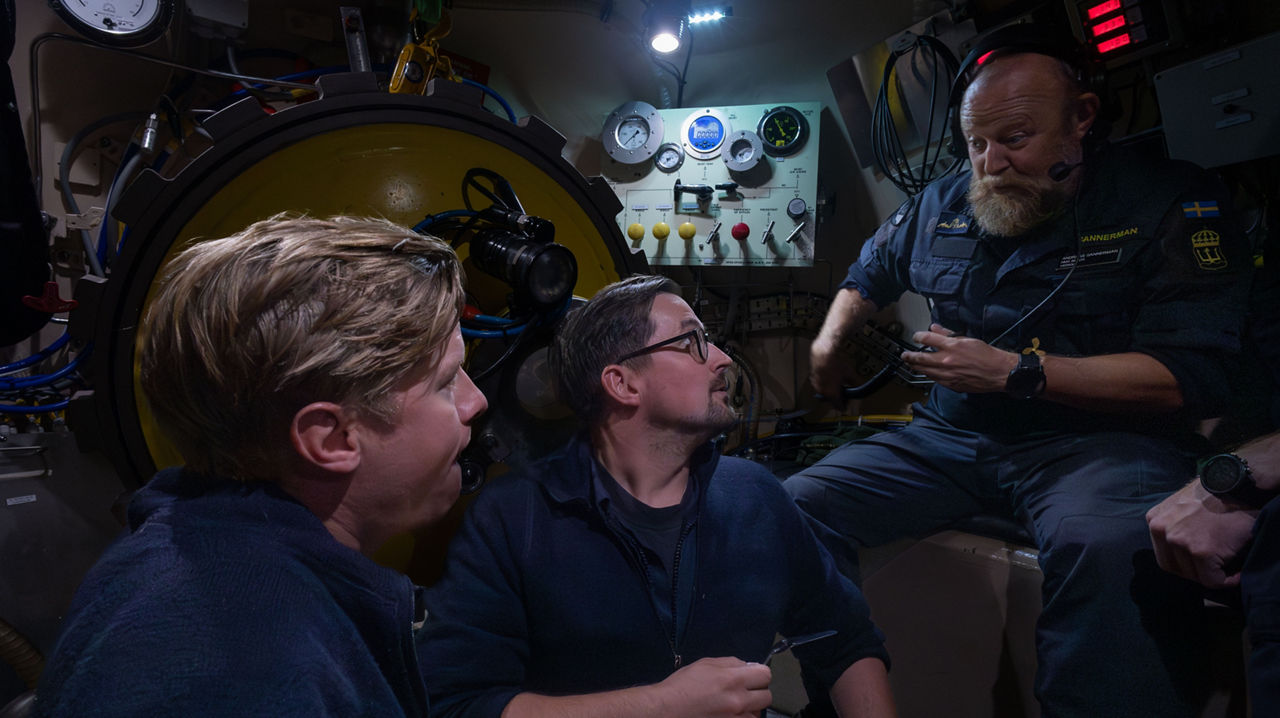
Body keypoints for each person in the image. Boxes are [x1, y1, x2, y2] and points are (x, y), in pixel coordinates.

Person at [785, 23, 1251, 718]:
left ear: (1082, 121)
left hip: (1097, 445)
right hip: (953, 439)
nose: (990, 164)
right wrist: (827, 346)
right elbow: (868, 273)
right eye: (976, 143)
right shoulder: (944, 201)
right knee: (790, 506)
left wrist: (1018, 373)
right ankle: (849, 698)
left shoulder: (1166, 202)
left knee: (1108, 547)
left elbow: (1189, 373)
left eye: (1014, 139)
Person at [33, 215, 487, 717]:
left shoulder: (187, 542)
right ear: (331, 438)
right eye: (446, 382)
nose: (476, 401)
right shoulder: (249, 673)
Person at [420, 275, 896, 718]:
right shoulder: (513, 518)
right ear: (622, 383)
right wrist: (665, 705)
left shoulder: (757, 499)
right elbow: (459, 704)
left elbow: (848, 642)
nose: (722, 358)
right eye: (692, 342)